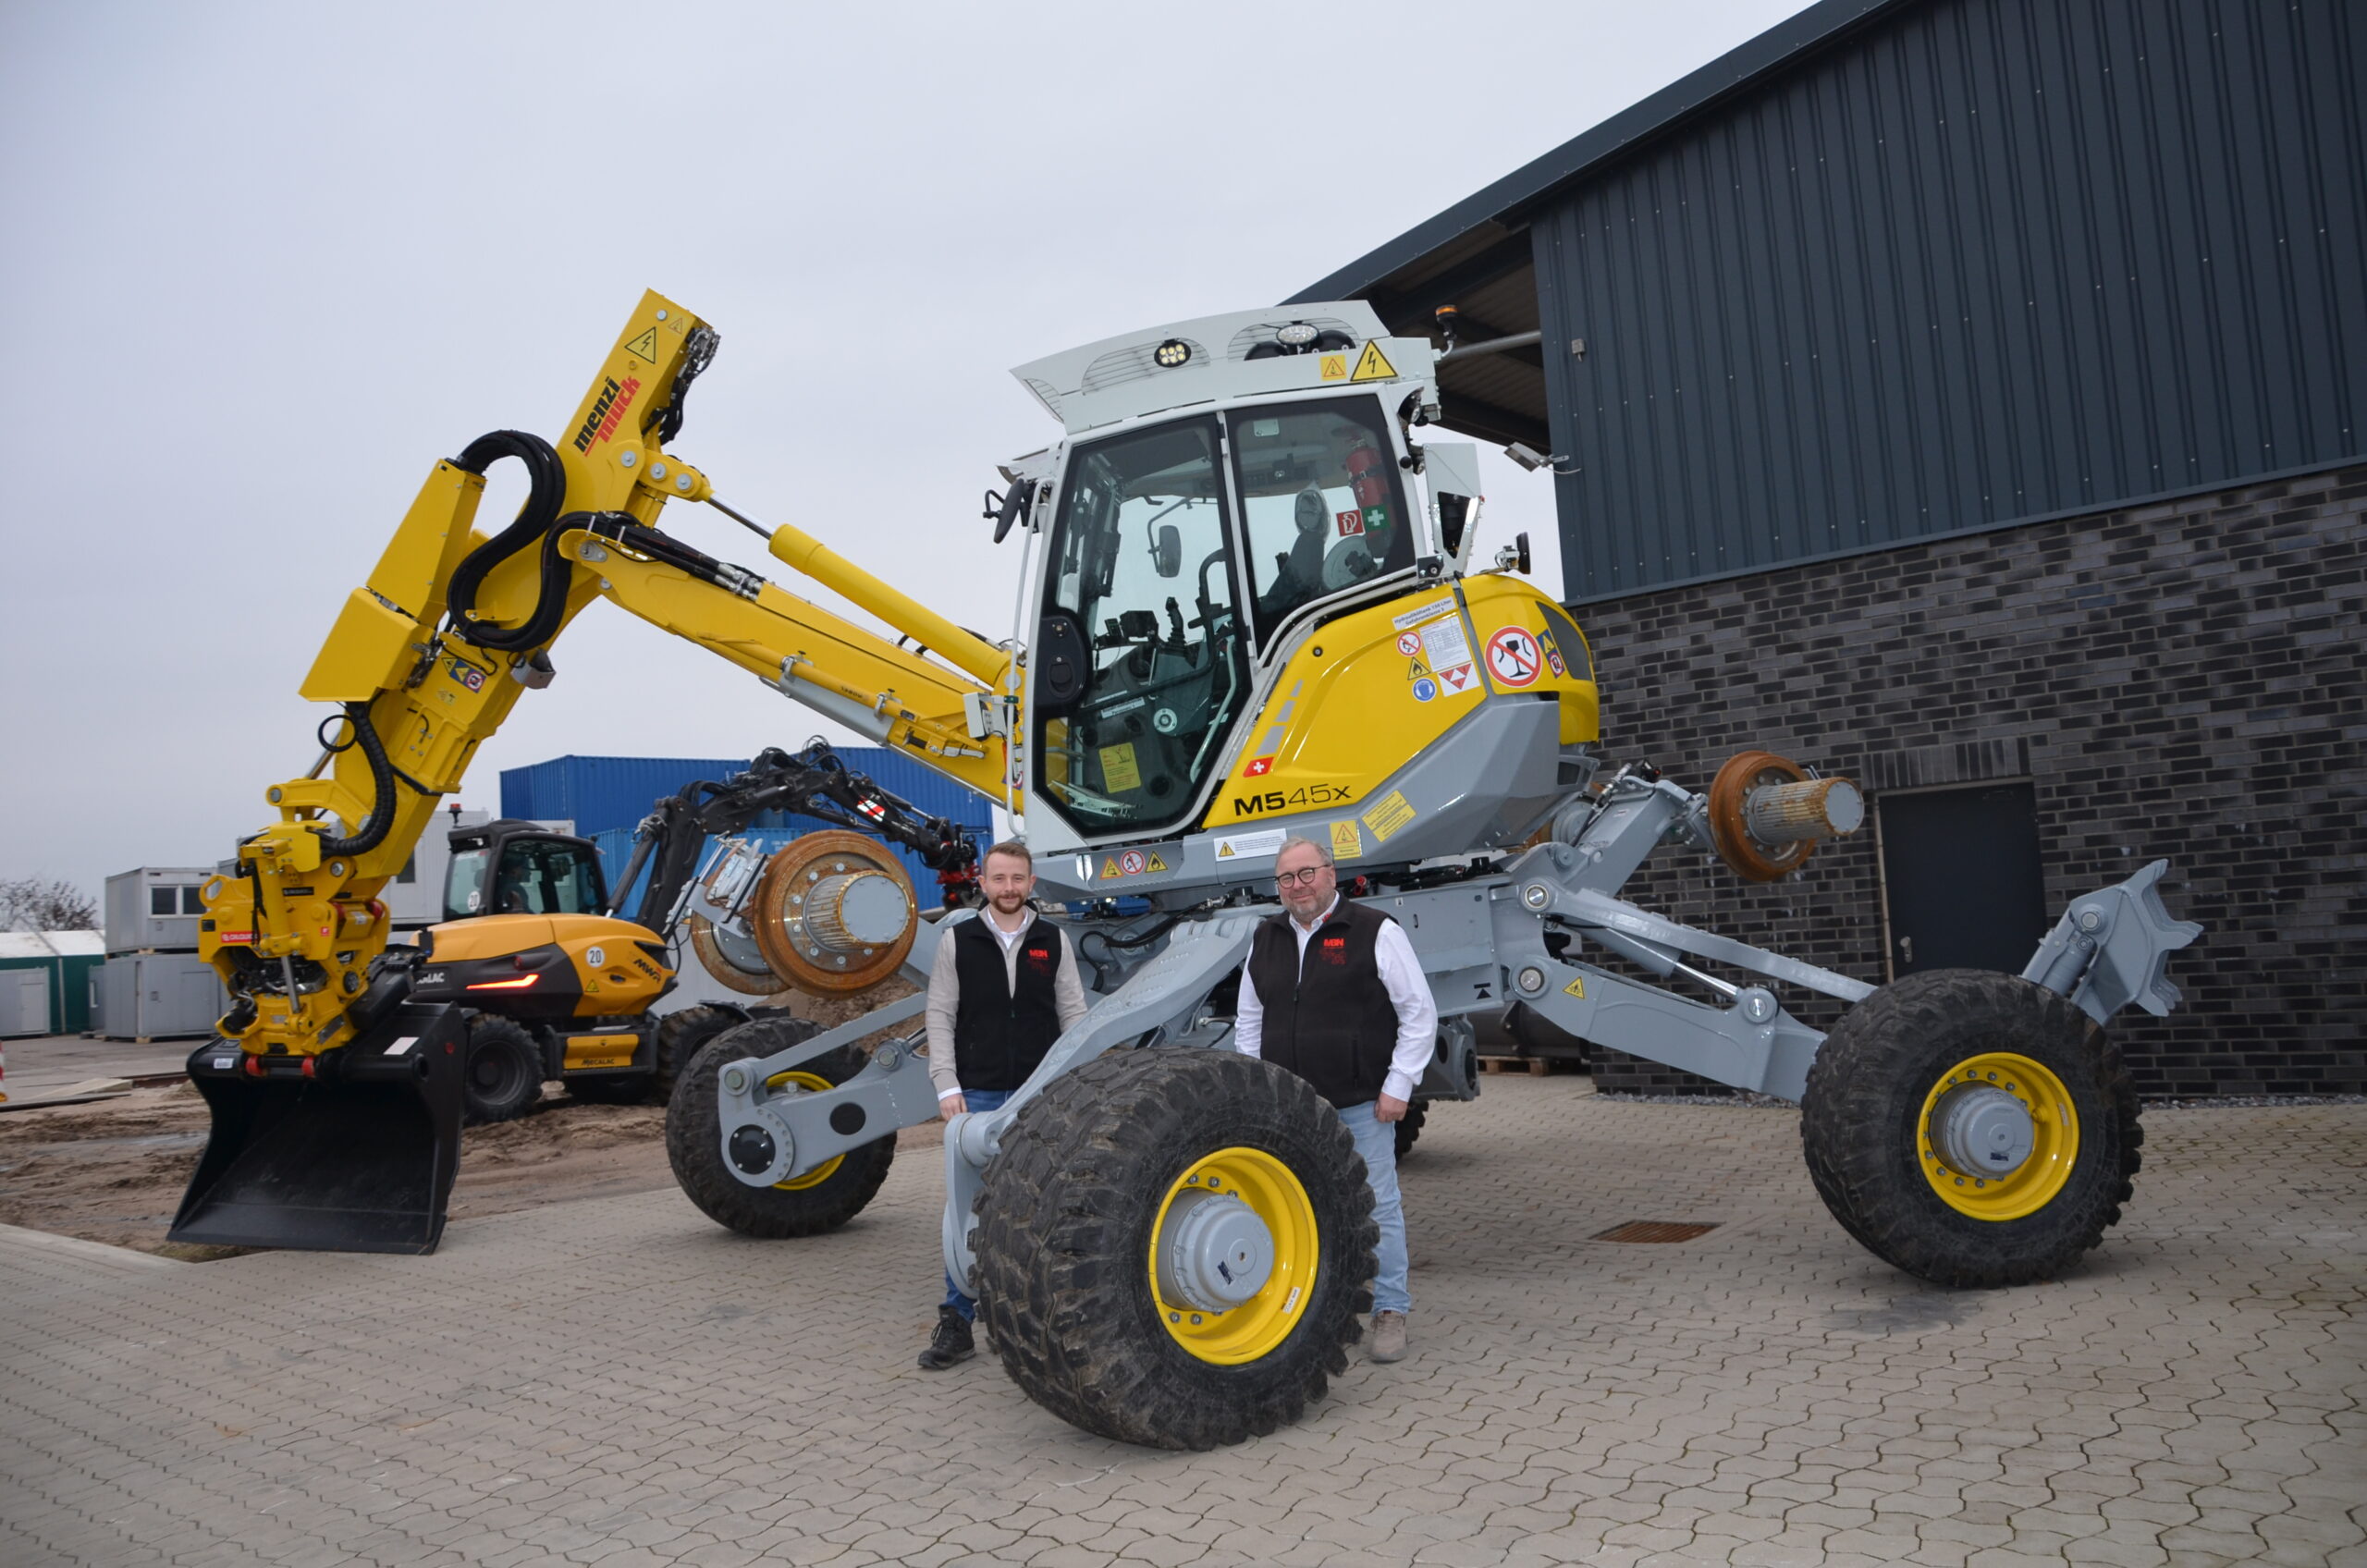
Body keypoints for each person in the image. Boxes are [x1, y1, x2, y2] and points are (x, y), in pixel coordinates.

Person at [1232, 835, 1436, 1364]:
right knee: (1297, 1208)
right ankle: (1307, 1305)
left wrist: (1398, 1087)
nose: (1297, 886)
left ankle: (1390, 1309)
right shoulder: (1265, 937)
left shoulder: (1374, 931)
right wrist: (1259, 1087)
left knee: (1378, 1207)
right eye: (1286, 878)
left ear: (1331, 873)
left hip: (1360, 1103)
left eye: (1307, 874)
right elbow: (1250, 1020)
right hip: (1290, 1108)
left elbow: (1419, 1014)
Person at [917, 839, 1087, 1370]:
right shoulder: (957, 940)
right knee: (969, 1203)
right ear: (984, 884)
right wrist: (947, 1084)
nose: (1009, 889)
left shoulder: (1052, 939)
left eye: (1018, 879)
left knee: (1044, 1198)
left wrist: (1069, 1083)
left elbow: (1075, 1019)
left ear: (1031, 883)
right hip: (979, 1091)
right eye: (999, 880)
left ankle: (1040, 1309)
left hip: (1039, 1092)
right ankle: (957, 1316)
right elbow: (940, 1015)